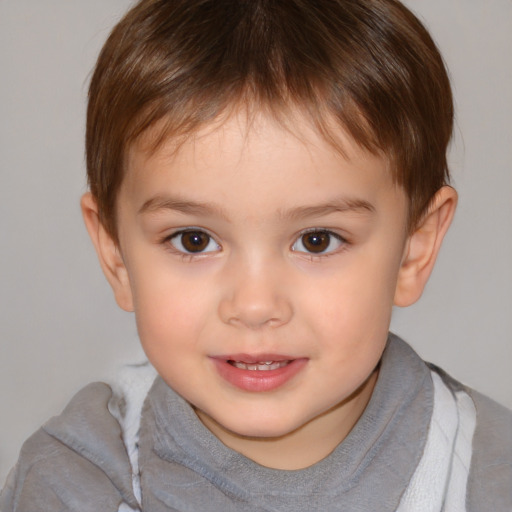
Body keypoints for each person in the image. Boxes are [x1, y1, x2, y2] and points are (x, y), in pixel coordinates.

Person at [1, 0, 511, 510]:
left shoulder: (486, 477)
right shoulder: (75, 481)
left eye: (317, 240)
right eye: (194, 240)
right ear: (116, 255)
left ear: (413, 250)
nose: (254, 305)